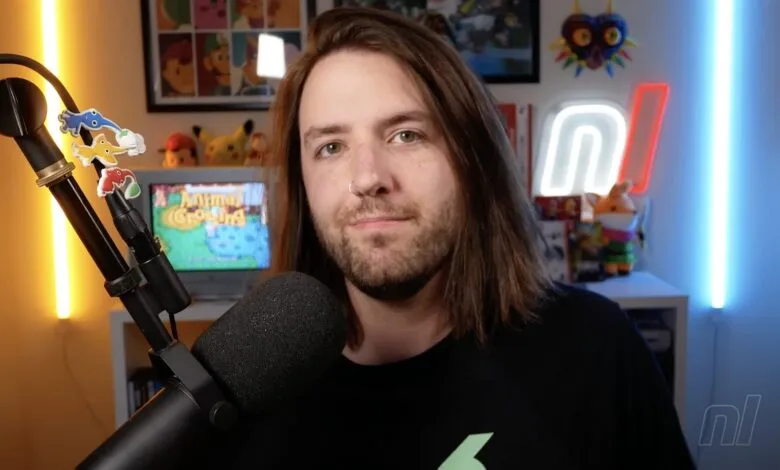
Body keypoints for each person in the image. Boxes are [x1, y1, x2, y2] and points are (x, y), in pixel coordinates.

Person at [207, 7, 695, 469]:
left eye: (406, 135)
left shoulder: (597, 352)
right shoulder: (246, 394)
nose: (368, 177)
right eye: (331, 147)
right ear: (303, 183)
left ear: (471, 159)